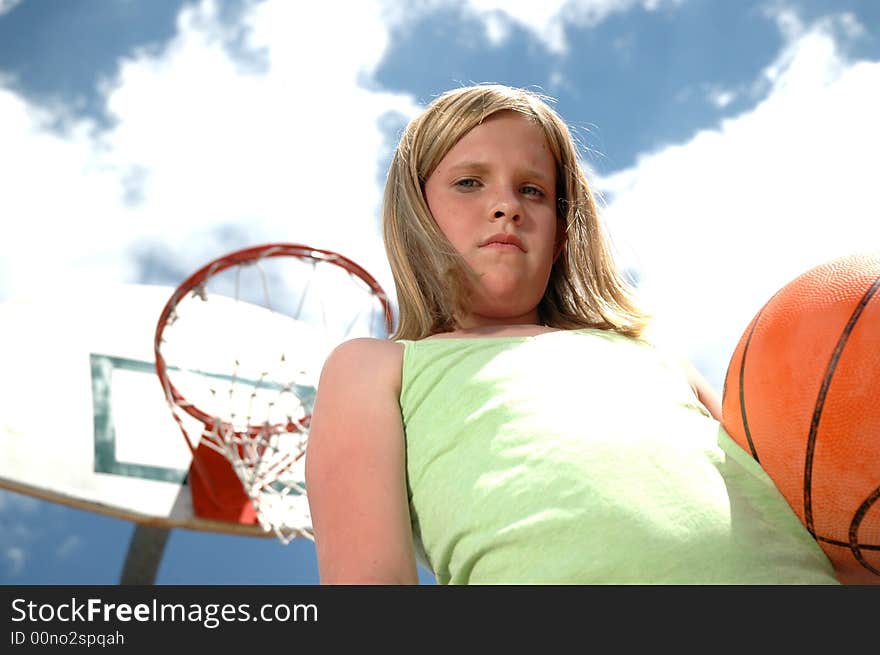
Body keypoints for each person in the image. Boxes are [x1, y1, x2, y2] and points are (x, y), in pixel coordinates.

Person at [304, 83, 840, 585]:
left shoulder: (652, 353)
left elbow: (815, 511)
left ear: (562, 235)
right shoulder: (376, 368)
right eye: (470, 182)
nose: (507, 205)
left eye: (533, 190)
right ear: (415, 213)